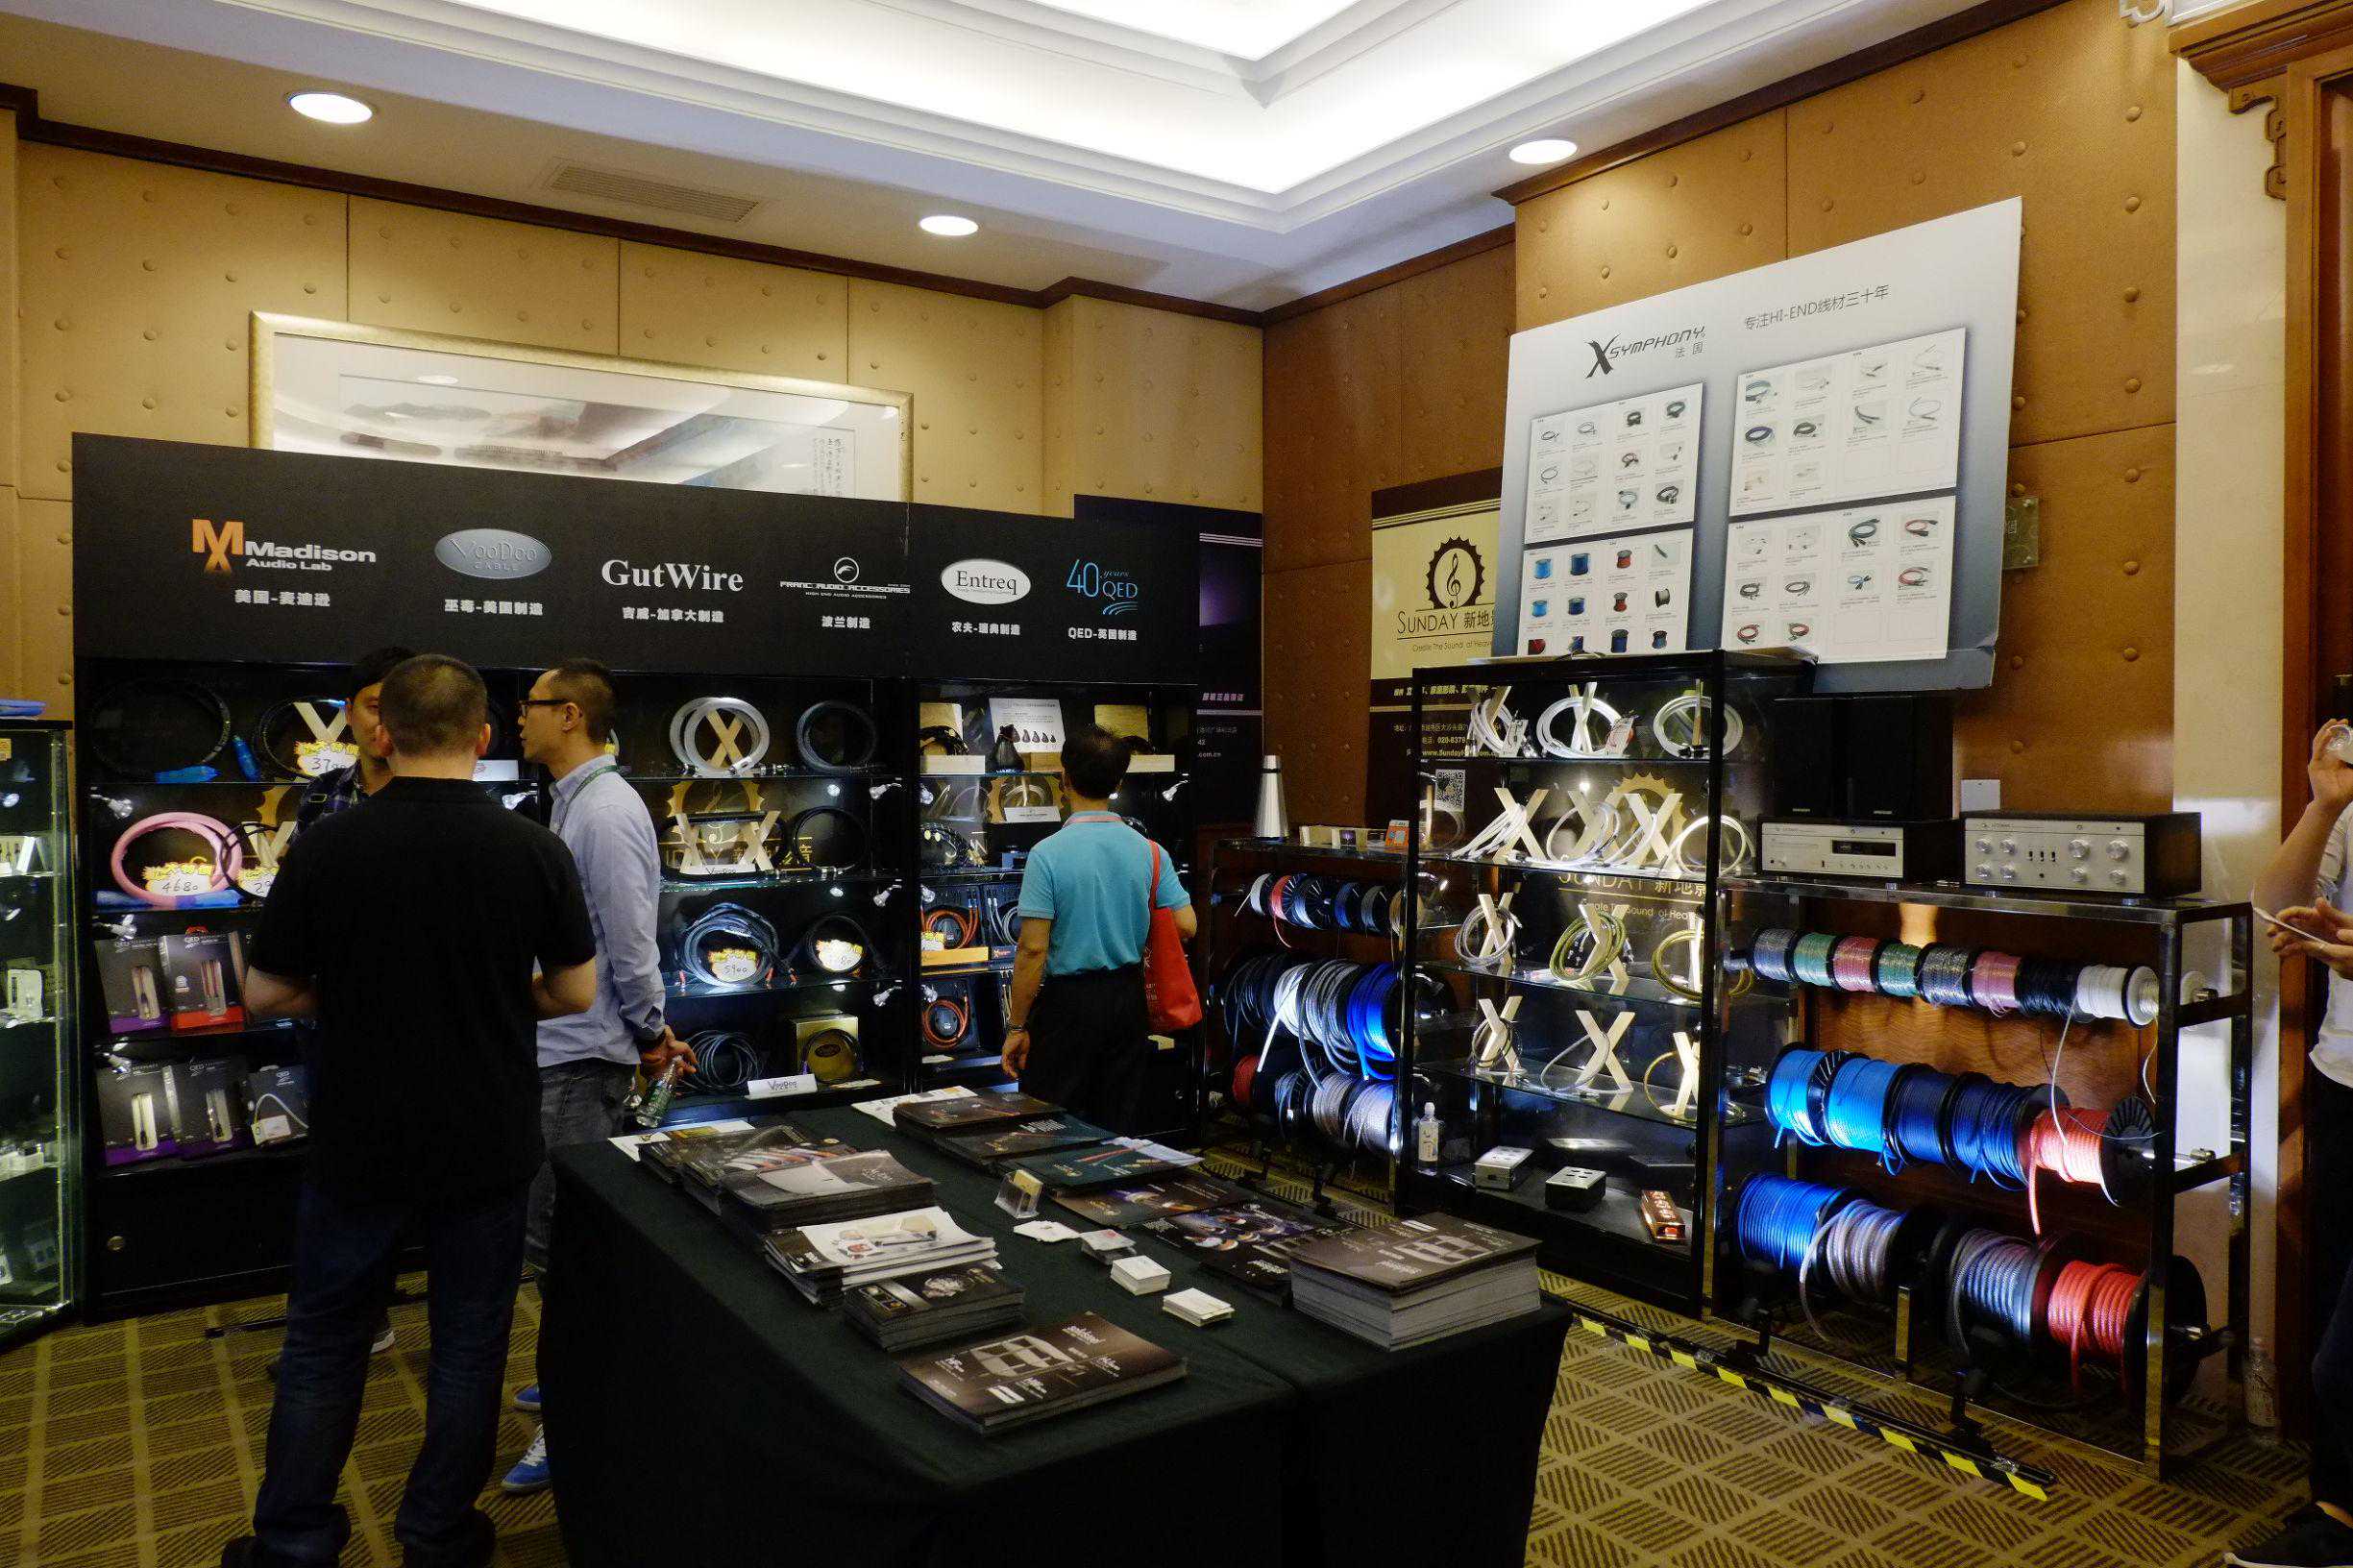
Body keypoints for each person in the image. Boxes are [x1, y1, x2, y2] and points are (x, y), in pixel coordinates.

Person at [221, 655, 599, 1568]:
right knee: (471, 1346)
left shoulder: (328, 845)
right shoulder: (533, 847)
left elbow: (266, 993)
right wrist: (494, 1001)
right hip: (487, 1134)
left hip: (359, 1135)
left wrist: (359, 998)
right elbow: (576, 993)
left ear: (382, 733)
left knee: (324, 1342)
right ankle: (437, 1533)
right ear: (483, 736)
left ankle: (294, 1542)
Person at [501, 658, 690, 1494]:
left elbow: (629, 939)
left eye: (531, 706)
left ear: (570, 714)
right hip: (565, 1048)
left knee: (564, 1247)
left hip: (582, 1055)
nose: (519, 718)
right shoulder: (576, 802)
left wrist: (649, 1032)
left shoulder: (606, 811)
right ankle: (572, 1378)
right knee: (556, 1241)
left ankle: (579, 1409)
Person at [272, 644, 414, 1375]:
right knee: (341, 1167)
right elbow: (299, 903)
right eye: (371, 705)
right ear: (350, 714)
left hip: (424, 1018)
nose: (383, 723)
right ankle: (357, 1315)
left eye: (398, 706)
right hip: (338, 1013)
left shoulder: (442, 797)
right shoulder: (323, 796)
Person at [2241, 719, 2353, 1568]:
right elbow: (2271, 904)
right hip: (2342, 1081)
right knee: (2331, 1313)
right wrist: (2322, 806)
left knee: (2342, 1358)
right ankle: (2337, 1512)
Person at [1001, 725, 1194, 1135]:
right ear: (1118, 783)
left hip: (1067, 1005)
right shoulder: (1150, 851)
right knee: (1117, 1123)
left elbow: (1032, 950)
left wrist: (1017, 1026)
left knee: (1050, 1125)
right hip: (1128, 1001)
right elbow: (1186, 924)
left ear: (1064, 778)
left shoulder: (1046, 854)